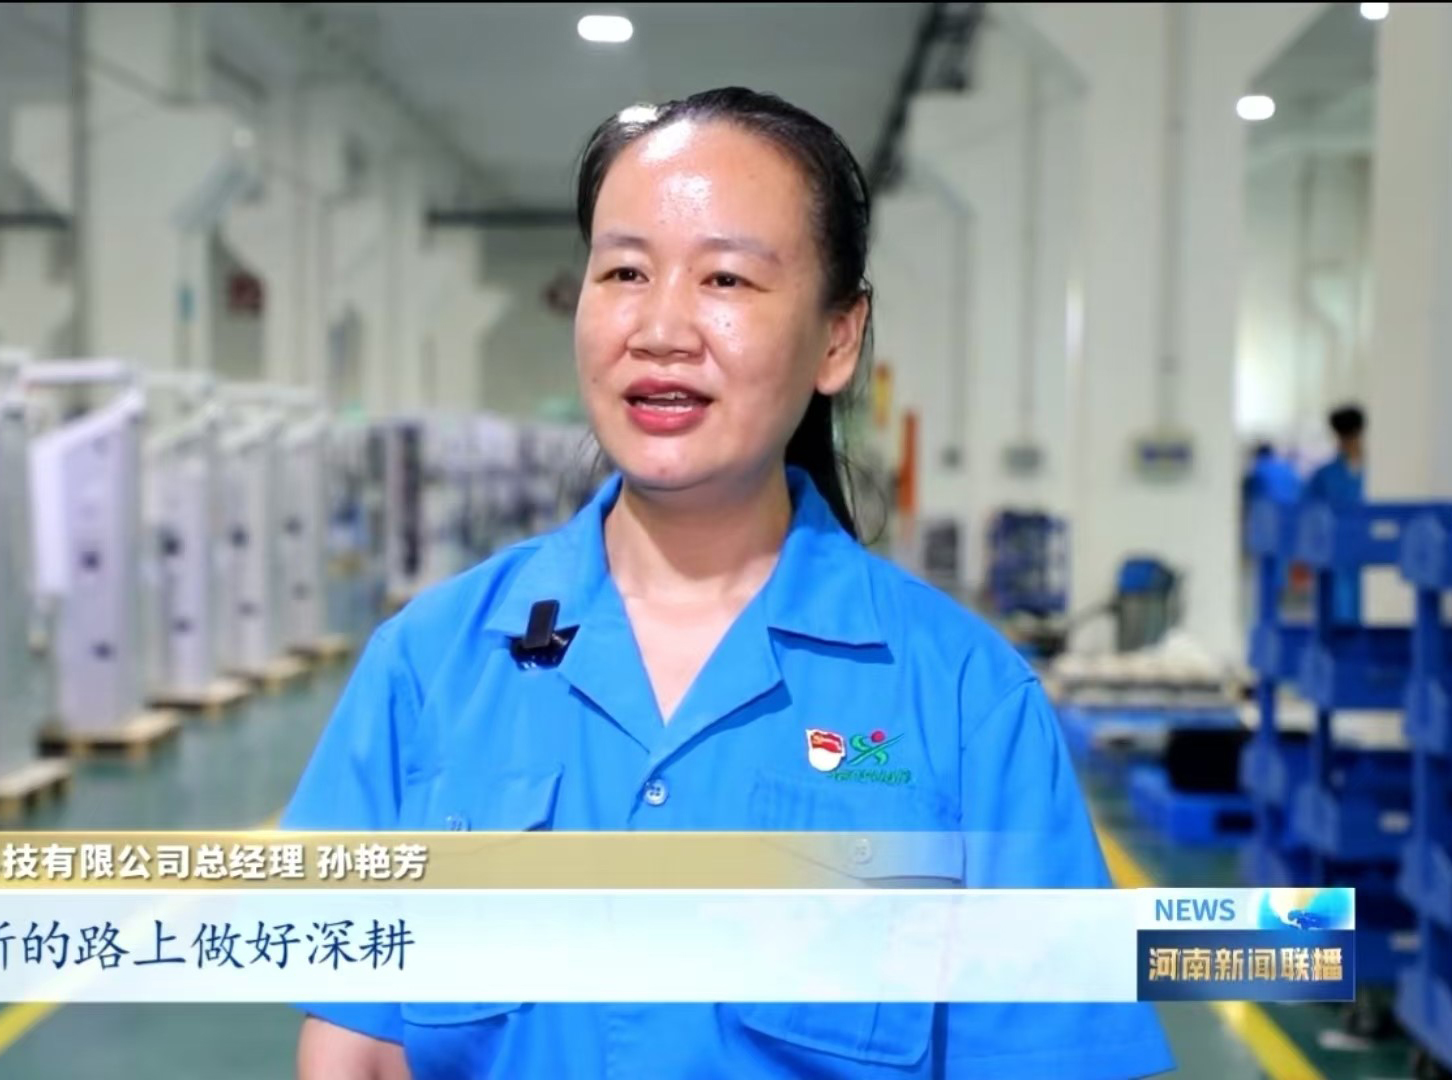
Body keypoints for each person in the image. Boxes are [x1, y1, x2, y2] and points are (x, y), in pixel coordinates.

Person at [283, 87, 1176, 1079]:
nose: (661, 327)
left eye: (726, 279)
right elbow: (358, 1051)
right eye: (624, 271)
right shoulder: (431, 665)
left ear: (837, 339)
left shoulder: (965, 702)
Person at [1304, 405, 1367, 623]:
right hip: (1335, 556)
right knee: (1339, 609)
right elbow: (1309, 516)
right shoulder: (1324, 476)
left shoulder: (1376, 473)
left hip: (1366, 553)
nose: (1348, 442)